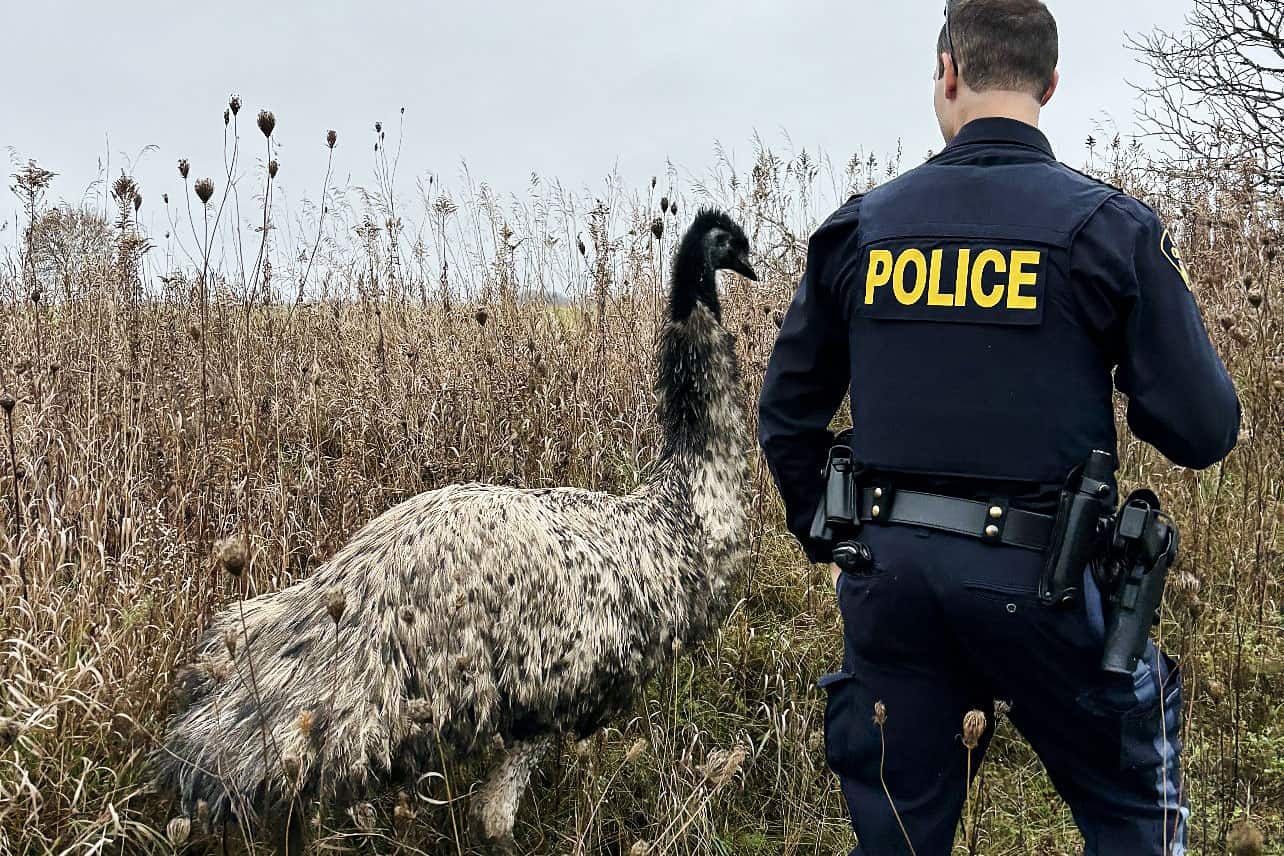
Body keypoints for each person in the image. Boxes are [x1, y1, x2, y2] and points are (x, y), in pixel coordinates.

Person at [757, 1, 1241, 854]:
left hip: (888, 582)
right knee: (1132, 814)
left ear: (947, 72)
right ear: (1051, 83)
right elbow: (1204, 430)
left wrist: (837, 539)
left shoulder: (860, 228)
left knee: (901, 835)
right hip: (1048, 586)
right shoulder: (1107, 230)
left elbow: (786, 416)